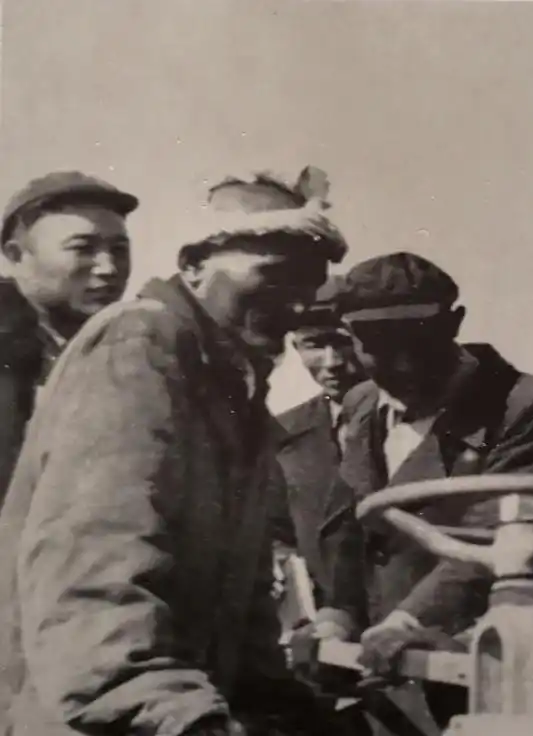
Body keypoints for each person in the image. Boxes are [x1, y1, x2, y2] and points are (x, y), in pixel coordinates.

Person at [0, 168, 350, 736]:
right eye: (273, 275)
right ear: (193, 266)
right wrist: (172, 711)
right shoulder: (142, 344)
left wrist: (285, 704)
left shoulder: (233, 386)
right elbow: (97, 568)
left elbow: (245, 604)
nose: (295, 304)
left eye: (309, 284)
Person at [309, 252, 533, 734]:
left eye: (420, 341)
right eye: (379, 345)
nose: (403, 363)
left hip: (477, 670)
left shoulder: (529, 406)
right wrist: (336, 617)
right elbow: (349, 527)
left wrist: (408, 622)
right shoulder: (362, 405)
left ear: (455, 324)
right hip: (382, 682)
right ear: (350, 338)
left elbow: (497, 537)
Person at [0, 171, 137, 504]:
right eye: (82, 248)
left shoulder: (131, 349)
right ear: (17, 256)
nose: (108, 268)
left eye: (119, 250)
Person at [270, 273, 368, 622]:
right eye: (314, 345)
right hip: (321, 629)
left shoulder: (409, 421)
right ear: (295, 347)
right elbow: (275, 531)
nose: (332, 362)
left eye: (343, 342)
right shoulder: (280, 433)